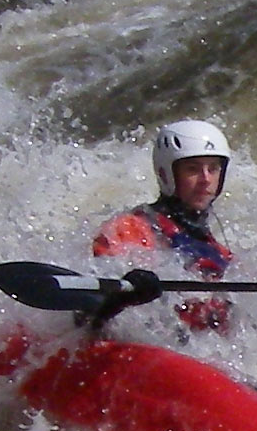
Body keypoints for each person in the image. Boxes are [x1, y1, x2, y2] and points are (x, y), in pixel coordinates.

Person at [90, 119, 237, 335]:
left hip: (189, 357)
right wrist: (124, 297)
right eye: (193, 169)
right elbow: (88, 317)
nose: (206, 179)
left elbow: (241, 344)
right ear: (166, 174)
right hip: (135, 351)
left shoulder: (220, 253)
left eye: (213, 169)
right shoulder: (129, 229)